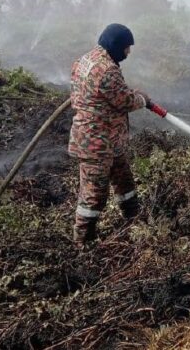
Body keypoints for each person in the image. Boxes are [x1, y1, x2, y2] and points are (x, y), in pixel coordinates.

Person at [68, 23, 150, 245]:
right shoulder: (107, 70)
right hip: (97, 143)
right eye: (126, 48)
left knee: (124, 179)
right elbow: (122, 101)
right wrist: (141, 99)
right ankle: (83, 241)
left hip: (108, 141)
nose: (128, 53)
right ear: (116, 46)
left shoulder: (84, 61)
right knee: (94, 193)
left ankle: (134, 219)